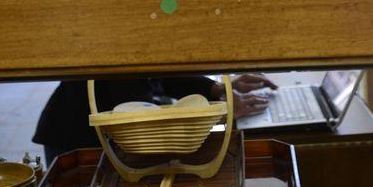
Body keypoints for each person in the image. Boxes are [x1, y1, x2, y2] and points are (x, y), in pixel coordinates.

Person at [33, 74, 277, 165]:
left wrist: (218, 89)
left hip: (97, 133)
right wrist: (223, 112)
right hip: (74, 136)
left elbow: (164, 76)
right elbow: (148, 119)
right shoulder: (124, 50)